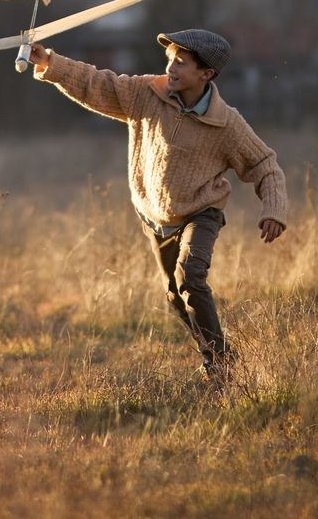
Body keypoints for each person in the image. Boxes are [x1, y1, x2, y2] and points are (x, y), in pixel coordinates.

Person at [28, 29, 287, 380]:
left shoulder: (227, 124)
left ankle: (221, 364)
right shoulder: (145, 94)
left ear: (206, 73)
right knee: (175, 297)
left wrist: (274, 210)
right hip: (155, 215)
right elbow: (97, 84)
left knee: (189, 276)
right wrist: (50, 63)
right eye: (170, 60)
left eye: (181, 63)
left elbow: (264, 165)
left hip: (201, 211)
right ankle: (214, 351)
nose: (171, 68)